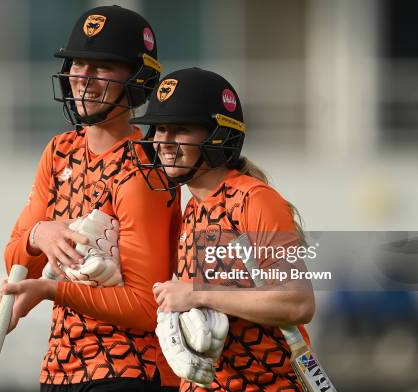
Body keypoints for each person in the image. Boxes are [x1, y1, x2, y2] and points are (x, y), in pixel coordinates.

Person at [0, 5, 181, 392]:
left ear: (137, 80)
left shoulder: (145, 166)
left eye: (102, 67)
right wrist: (39, 235)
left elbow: (145, 308)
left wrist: (52, 289)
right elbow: (15, 260)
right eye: (79, 64)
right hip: (60, 369)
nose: (84, 78)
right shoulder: (59, 151)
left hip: (130, 370)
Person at [129, 67, 316, 391]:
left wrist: (197, 294)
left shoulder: (254, 200)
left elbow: (297, 303)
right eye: (159, 129)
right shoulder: (191, 208)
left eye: (180, 129)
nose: (163, 142)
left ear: (217, 135)